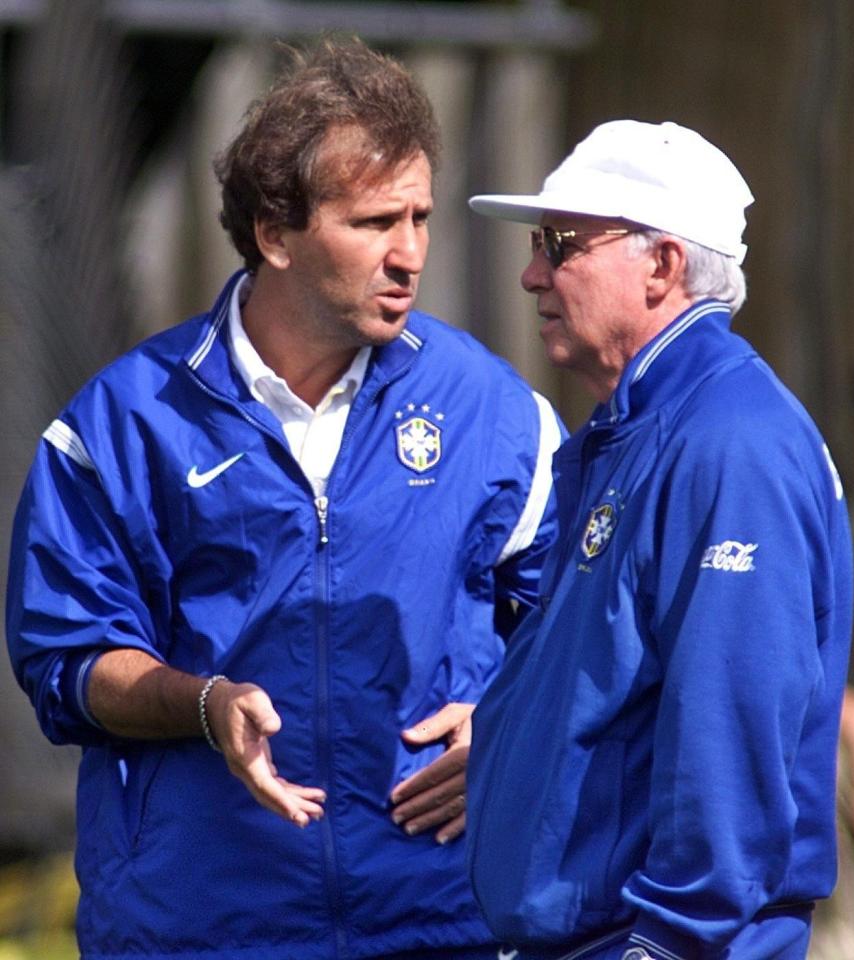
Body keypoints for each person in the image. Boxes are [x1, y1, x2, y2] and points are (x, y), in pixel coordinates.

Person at [5, 38, 564, 960]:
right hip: (203, 925)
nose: (410, 254)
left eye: (421, 217)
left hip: (443, 919)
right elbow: (68, 658)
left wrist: (510, 723)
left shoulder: (496, 413)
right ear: (276, 233)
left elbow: (576, 623)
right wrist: (203, 703)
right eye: (376, 221)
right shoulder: (124, 424)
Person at [463, 119, 853, 960]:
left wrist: (668, 944)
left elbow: (733, 731)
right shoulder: (637, 432)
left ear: (663, 266)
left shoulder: (729, 441)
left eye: (560, 243)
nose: (532, 272)